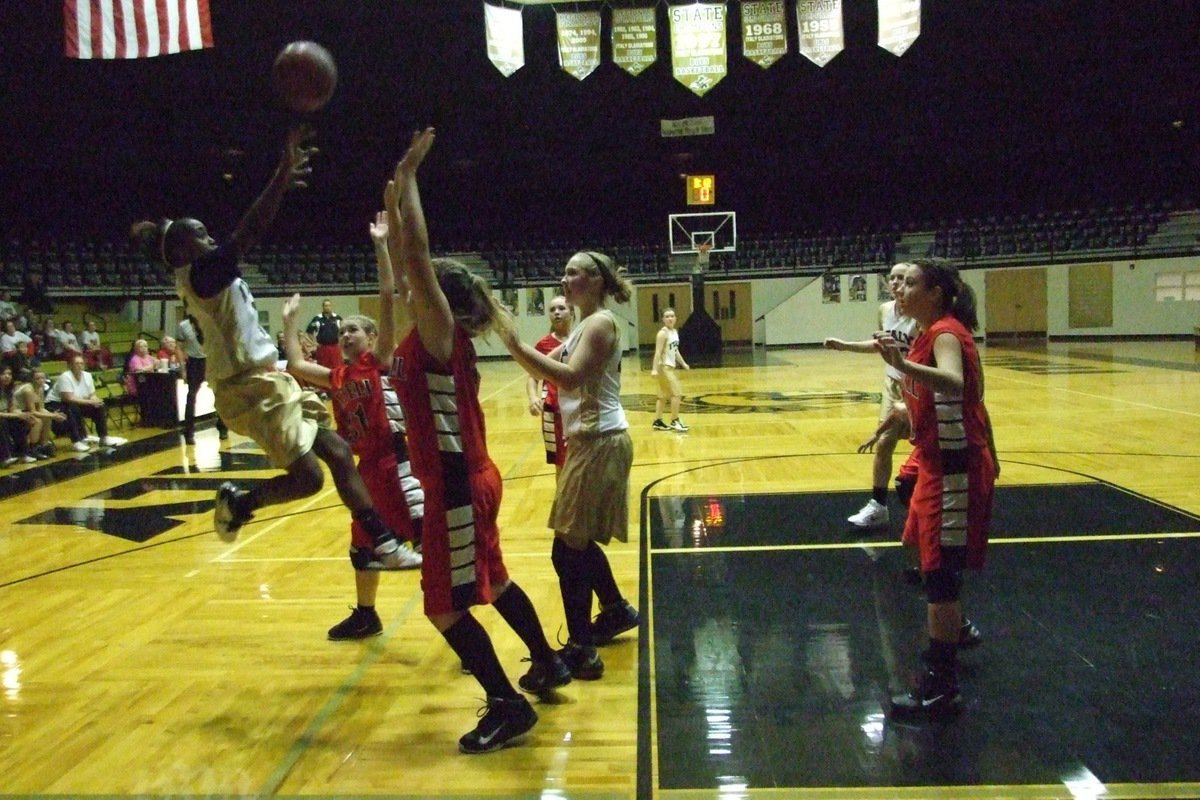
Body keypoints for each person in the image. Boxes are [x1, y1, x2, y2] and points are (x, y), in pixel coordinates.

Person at [129, 125, 410, 570]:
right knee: (310, 479)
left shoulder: (204, 270)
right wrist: (281, 173)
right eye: (200, 236)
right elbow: (249, 231)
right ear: (182, 249)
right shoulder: (201, 274)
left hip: (265, 378)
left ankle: (383, 543)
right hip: (248, 388)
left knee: (337, 451)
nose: (209, 240)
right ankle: (242, 503)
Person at [385, 128, 563, 754]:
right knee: (495, 579)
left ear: (441, 297)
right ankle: (546, 661)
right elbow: (406, 267)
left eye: (422, 282)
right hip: (470, 479)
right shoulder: (432, 334)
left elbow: (417, 259)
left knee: (443, 605)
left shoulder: (438, 334)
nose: (412, 285)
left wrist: (409, 180)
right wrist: (392, 214)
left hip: (457, 486)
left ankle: (507, 705)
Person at [281, 210, 424, 642]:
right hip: (365, 469)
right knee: (362, 545)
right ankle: (366, 614)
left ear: (372, 338)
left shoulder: (378, 362)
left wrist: (381, 246)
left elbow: (386, 295)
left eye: (353, 331)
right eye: (342, 332)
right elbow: (295, 364)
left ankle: (461, 608)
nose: (345, 336)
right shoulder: (337, 376)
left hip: (399, 465)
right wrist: (289, 322)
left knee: (427, 541)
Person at [499, 249, 641, 680]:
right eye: (563, 273)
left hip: (599, 441)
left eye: (573, 273)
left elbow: (569, 377)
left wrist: (511, 342)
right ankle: (613, 610)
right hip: (588, 442)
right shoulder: (583, 325)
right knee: (573, 544)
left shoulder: (600, 323)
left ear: (596, 280)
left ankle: (582, 649)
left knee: (567, 549)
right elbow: (547, 365)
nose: (564, 280)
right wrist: (511, 338)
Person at [873, 258, 998, 720]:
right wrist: (901, 416)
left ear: (937, 294)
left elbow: (954, 382)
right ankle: (953, 634)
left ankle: (942, 687)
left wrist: (901, 364)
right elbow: (943, 397)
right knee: (932, 569)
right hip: (936, 465)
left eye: (911, 285)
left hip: (954, 469)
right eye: (899, 286)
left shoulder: (945, 332)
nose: (900, 292)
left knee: (941, 576)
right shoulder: (931, 331)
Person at [823, 262, 920, 528]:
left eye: (903, 278)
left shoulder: (921, 316)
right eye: (893, 278)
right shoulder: (884, 311)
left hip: (918, 385)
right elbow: (881, 346)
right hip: (893, 383)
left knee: (923, 440)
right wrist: (846, 346)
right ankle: (879, 506)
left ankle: (927, 499)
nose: (897, 283)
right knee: (884, 442)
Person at [524, 294, 573, 474]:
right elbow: (532, 376)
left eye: (561, 308)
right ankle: (563, 501)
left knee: (580, 460)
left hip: (578, 409)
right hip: (553, 411)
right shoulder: (543, 344)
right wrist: (533, 397)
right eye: (552, 310)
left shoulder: (581, 339)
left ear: (572, 312)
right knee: (561, 463)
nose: (557, 313)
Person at [45, 354, 126, 451]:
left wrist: (95, 400)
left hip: (78, 401)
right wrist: (89, 402)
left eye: (81, 363)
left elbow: (92, 394)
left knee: (99, 407)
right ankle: (76, 441)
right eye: (76, 363)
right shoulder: (65, 377)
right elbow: (68, 398)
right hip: (56, 403)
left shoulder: (88, 375)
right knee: (71, 408)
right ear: (70, 365)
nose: (79, 365)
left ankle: (104, 437)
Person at [176, 308, 228, 444]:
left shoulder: (210, 321)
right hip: (194, 361)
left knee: (220, 393)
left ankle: (222, 426)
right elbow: (179, 347)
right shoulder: (183, 326)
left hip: (211, 358)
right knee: (191, 396)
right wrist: (183, 369)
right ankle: (189, 432)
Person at [650, 307, 691, 432]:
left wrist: (683, 363)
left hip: (670, 367)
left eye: (672, 316)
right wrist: (654, 369)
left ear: (675, 318)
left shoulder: (674, 332)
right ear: (663, 319)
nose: (670, 318)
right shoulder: (663, 333)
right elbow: (657, 352)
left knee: (663, 395)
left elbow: (675, 350)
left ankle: (657, 420)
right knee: (676, 393)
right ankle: (674, 420)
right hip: (664, 367)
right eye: (667, 316)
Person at [13, 368, 65, 459]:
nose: (41, 380)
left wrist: (52, 414)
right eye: (37, 378)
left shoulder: (40, 389)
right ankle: (32, 447)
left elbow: (41, 408)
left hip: (28, 411)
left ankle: (44, 444)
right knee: (37, 421)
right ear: (32, 379)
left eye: (43, 378)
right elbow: (32, 411)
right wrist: (53, 415)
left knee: (47, 417)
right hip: (18, 412)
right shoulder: (28, 390)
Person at [0, 365, 37, 465]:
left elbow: (12, 409)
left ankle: (22, 454)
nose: (7, 376)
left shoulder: (9, 391)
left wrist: (25, 415)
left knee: (20, 421)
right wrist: (16, 415)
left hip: (6, 416)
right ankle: (4, 458)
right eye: (3, 374)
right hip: (2, 418)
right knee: (2, 423)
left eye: (9, 374)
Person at [306, 299, 343, 370]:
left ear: (331, 307)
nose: (327, 307)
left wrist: (341, 342)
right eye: (326, 306)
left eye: (329, 305)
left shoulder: (337, 318)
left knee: (337, 367)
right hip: (322, 347)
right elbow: (309, 332)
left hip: (335, 347)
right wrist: (314, 343)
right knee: (322, 368)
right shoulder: (317, 318)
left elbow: (344, 331)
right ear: (323, 307)